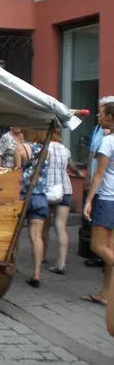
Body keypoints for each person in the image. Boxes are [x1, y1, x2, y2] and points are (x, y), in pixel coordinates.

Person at [83, 102, 114, 306]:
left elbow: (100, 173)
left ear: (110, 117)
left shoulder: (107, 141)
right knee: (110, 249)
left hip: (107, 198)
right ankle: (105, 294)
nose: (98, 115)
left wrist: (88, 199)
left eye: (101, 113)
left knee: (97, 245)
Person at [42, 128, 85, 273]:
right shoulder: (65, 150)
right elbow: (72, 167)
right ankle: (61, 263)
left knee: (45, 225)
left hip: (48, 190)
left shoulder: (45, 148)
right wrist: (80, 174)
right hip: (65, 190)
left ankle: (42, 255)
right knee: (61, 227)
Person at [15, 129, 50, 288]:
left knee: (14, 234)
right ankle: (36, 273)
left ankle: (12, 265)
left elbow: (16, 175)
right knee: (36, 236)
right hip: (40, 197)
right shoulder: (46, 151)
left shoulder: (21, 149)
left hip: (23, 196)